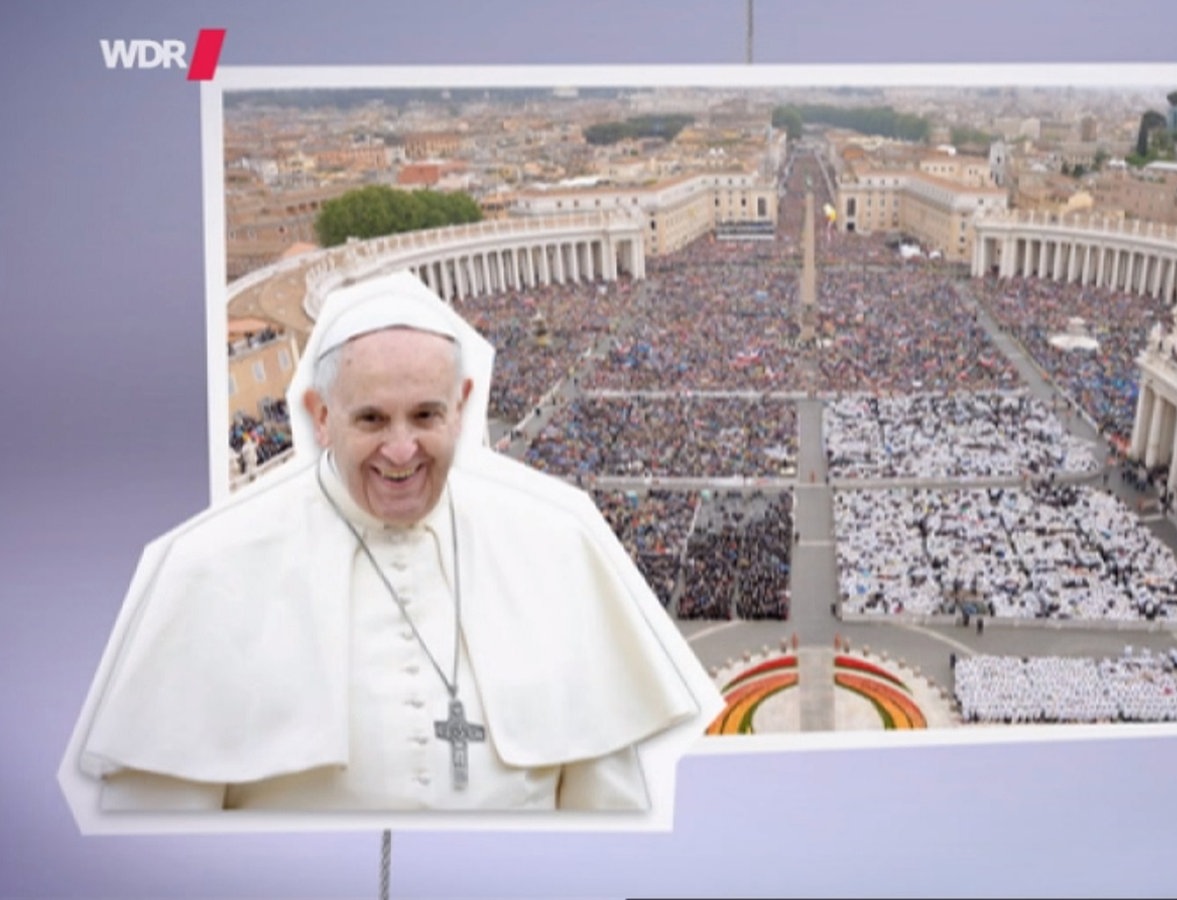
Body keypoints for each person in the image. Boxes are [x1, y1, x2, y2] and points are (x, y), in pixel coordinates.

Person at [65, 272, 720, 812]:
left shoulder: (556, 548)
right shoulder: (212, 571)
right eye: (372, 418)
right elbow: (157, 845)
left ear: (462, 405)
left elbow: (608, 815)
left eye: (427, 416)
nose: (401, 450)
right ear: (321, 416)